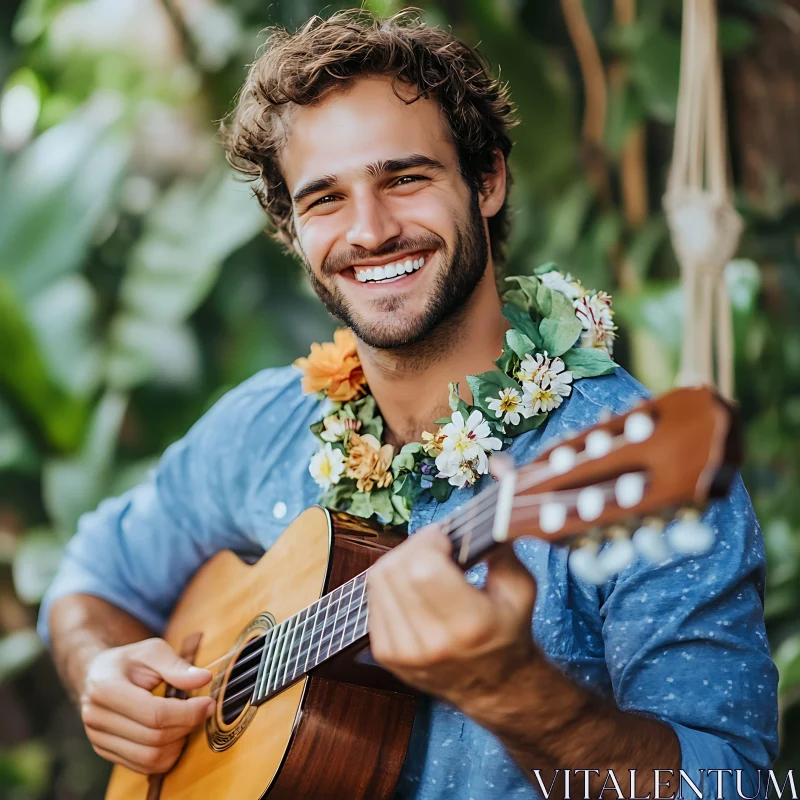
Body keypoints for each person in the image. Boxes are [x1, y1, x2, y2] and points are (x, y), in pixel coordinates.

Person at [39, 9, 777, 800]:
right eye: (324, 198)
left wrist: (519, 697)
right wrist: (102, 671)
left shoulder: (621, 458)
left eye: (405, 178)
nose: (372, 230)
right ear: (290, 229)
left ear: (486, 179)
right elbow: (90, 577)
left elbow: (730, 787)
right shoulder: (262, 427)